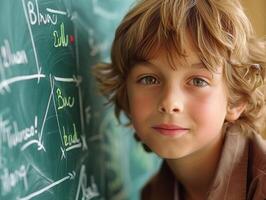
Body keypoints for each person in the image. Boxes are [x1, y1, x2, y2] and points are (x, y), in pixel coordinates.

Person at [93, 0, 266, 199]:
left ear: (236, 100)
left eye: (198, 81)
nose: (169, 103)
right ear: (126, 94)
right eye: (148, 79)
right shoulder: (154, 193)